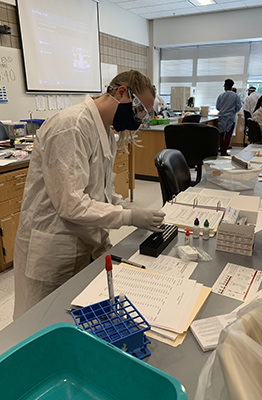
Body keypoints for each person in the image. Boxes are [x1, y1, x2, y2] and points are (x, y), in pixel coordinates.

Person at [13, 70, 165, 319]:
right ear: (122, 92)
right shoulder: (70, 127)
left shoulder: (106, 131)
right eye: (139, 111)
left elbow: (100, 192)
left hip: (86, 241)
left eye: (144, 115)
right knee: (41, 323)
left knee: (77, 319)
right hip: (54, 246)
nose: (139, 119)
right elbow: (71, 204)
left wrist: (130, 209)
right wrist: (128, 217)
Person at [216, 78, 242, 156]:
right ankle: (224, 151)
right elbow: (238, 107)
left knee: (221, 134)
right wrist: (232, 111)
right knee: (228, 135)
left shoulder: (221, 95)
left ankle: (221, 149)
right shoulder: (236, 96)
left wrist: (223, 110)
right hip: (231, 117)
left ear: (225, 86)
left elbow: (218, 107)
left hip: (222, 117)